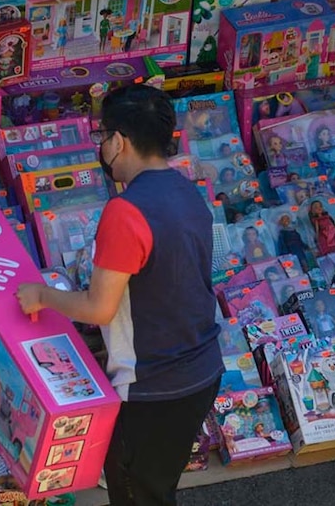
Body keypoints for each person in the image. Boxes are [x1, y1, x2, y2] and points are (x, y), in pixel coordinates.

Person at [16, 85, 223, 506]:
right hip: (201, 370)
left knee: (136, 492)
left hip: (153, 386)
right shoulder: (186, 190)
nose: (102, 145)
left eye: (103, 136)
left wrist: (42, 295)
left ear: (119, 141)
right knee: (157, 488)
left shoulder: (125, 211)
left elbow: (98, 308)